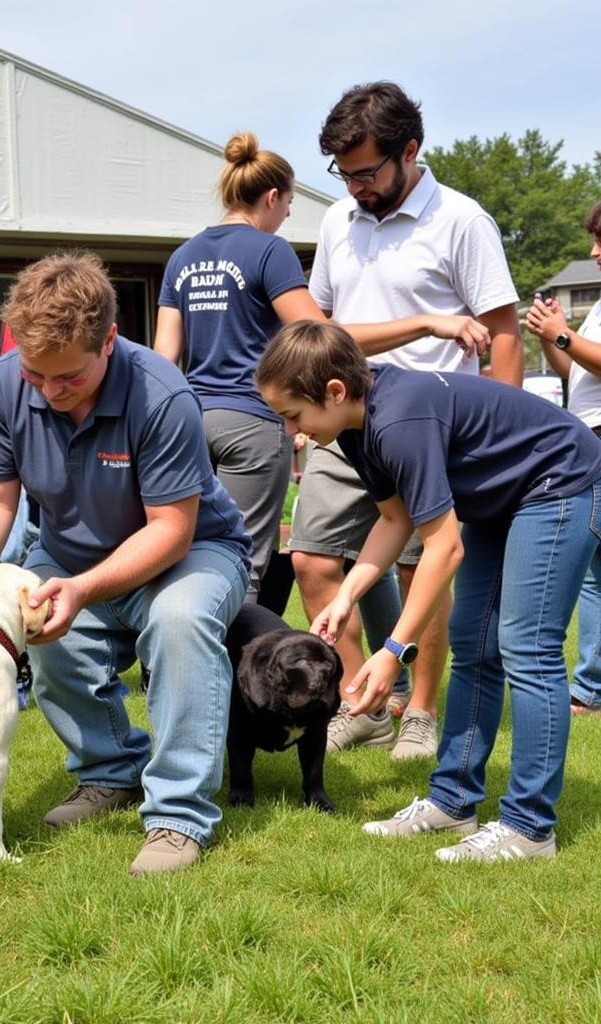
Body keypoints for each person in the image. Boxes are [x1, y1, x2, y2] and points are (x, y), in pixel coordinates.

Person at [0, 252, 251, 876]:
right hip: (71, 549)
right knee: (36, 625)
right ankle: (110, 771)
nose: (49, 390)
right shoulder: (5, 384)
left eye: (67, 377)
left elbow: (172, 531)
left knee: (179, 623)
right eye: (37, 376)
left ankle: (179, 816)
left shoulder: (162, 395)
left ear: (109, 342)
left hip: (190, 552)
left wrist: (86, 589)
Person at [258, 320, 601, 861]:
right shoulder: (352, 426)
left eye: (292, 415)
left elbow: (443, 549)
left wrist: (393, 651)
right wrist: (347, 595)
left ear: (334, 391)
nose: (290, 431)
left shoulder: (399, 419)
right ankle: (453, 801)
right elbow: (394, 520)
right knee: (474, 644)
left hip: (557, 480)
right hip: (500, 498)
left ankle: (531, 827)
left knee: (527, 648)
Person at [290, 81, 521, 759]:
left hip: (435, 428)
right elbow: (327, 329)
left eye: (366, 171)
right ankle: (365, 702)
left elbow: (503, 333)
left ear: (409, 151)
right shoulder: (337, 221)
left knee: (427, 566)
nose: (355, 186)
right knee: (310, 559)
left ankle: (419, 711)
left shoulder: (462, 220)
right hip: (345, 419)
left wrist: (495, 437)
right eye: (344, 172)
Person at [155, 132, 317, 604]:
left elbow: (163, 358)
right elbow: (314, 334)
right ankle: (230, 676)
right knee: (243, 565)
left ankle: (168, 657)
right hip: (253, 420)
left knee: (184, 548)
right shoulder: (270, 251)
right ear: (271, 196)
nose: (286, 216)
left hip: (189, 421)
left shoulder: (182, 257)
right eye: (287, 205)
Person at [526, 198, 601, 714]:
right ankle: (592, 687)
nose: (594, 253)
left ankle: (591, 686)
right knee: (595, 571)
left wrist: (562, 334)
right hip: (589, 434)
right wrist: (553, 335)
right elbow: (572, 370)